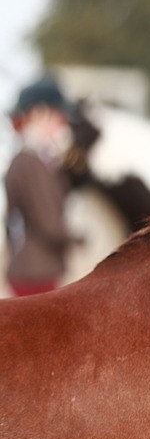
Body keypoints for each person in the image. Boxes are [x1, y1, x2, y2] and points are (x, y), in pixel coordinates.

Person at [5, 77, 79, 296]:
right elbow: (50, 223)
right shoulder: (30, 163)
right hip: (36, 273)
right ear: (38, 113)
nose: (61, 127)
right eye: (58, 119)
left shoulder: (32, 160)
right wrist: (79, 238)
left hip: (33, 269)